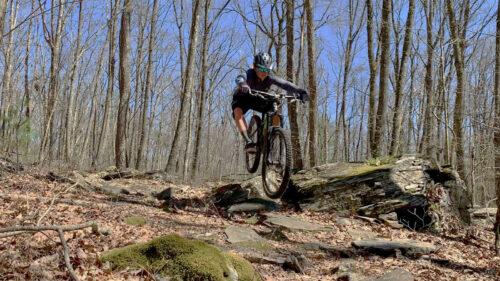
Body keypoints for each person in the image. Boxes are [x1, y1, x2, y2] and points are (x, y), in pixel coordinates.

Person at [232, 52, 309, 153]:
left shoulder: (270, 77)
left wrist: (301, 91)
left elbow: (285, 84)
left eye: (266, 70)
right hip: (243, 98)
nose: (264, 72)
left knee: (277, 105)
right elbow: (240, 78)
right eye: (260, 69)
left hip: (258, 98)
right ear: (255, 68)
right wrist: (243, 85)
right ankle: (248, 141)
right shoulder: (249, 74)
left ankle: (272, 133)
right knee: (237, 112)